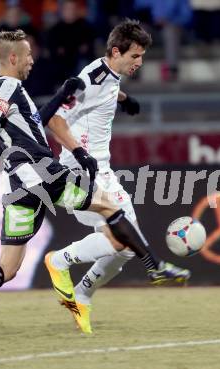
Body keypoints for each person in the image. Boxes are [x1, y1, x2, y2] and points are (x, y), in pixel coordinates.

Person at [0, 28, 189, 341]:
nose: (33, 60)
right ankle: (153, 266)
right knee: (111, 209)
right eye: (28, 55)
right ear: (13, 58)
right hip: (41, 173)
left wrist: (76, 96)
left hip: (16, 186)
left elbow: (42, 116)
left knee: (8, 266)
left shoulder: (0, 88)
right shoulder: (8, 85)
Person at [45, 19, 190, 334]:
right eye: (135, 56)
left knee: (126, 248)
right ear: (116, 51)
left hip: (103, 171)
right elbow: (55, 121)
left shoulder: (107, 75)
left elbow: (107, 89)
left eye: (141, 57)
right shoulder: (89, 80)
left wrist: (125, 99)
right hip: (78, 172)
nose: (139, 63)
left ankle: (83, 293)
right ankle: (59, 261)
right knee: (123, 239)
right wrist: (79, 152)